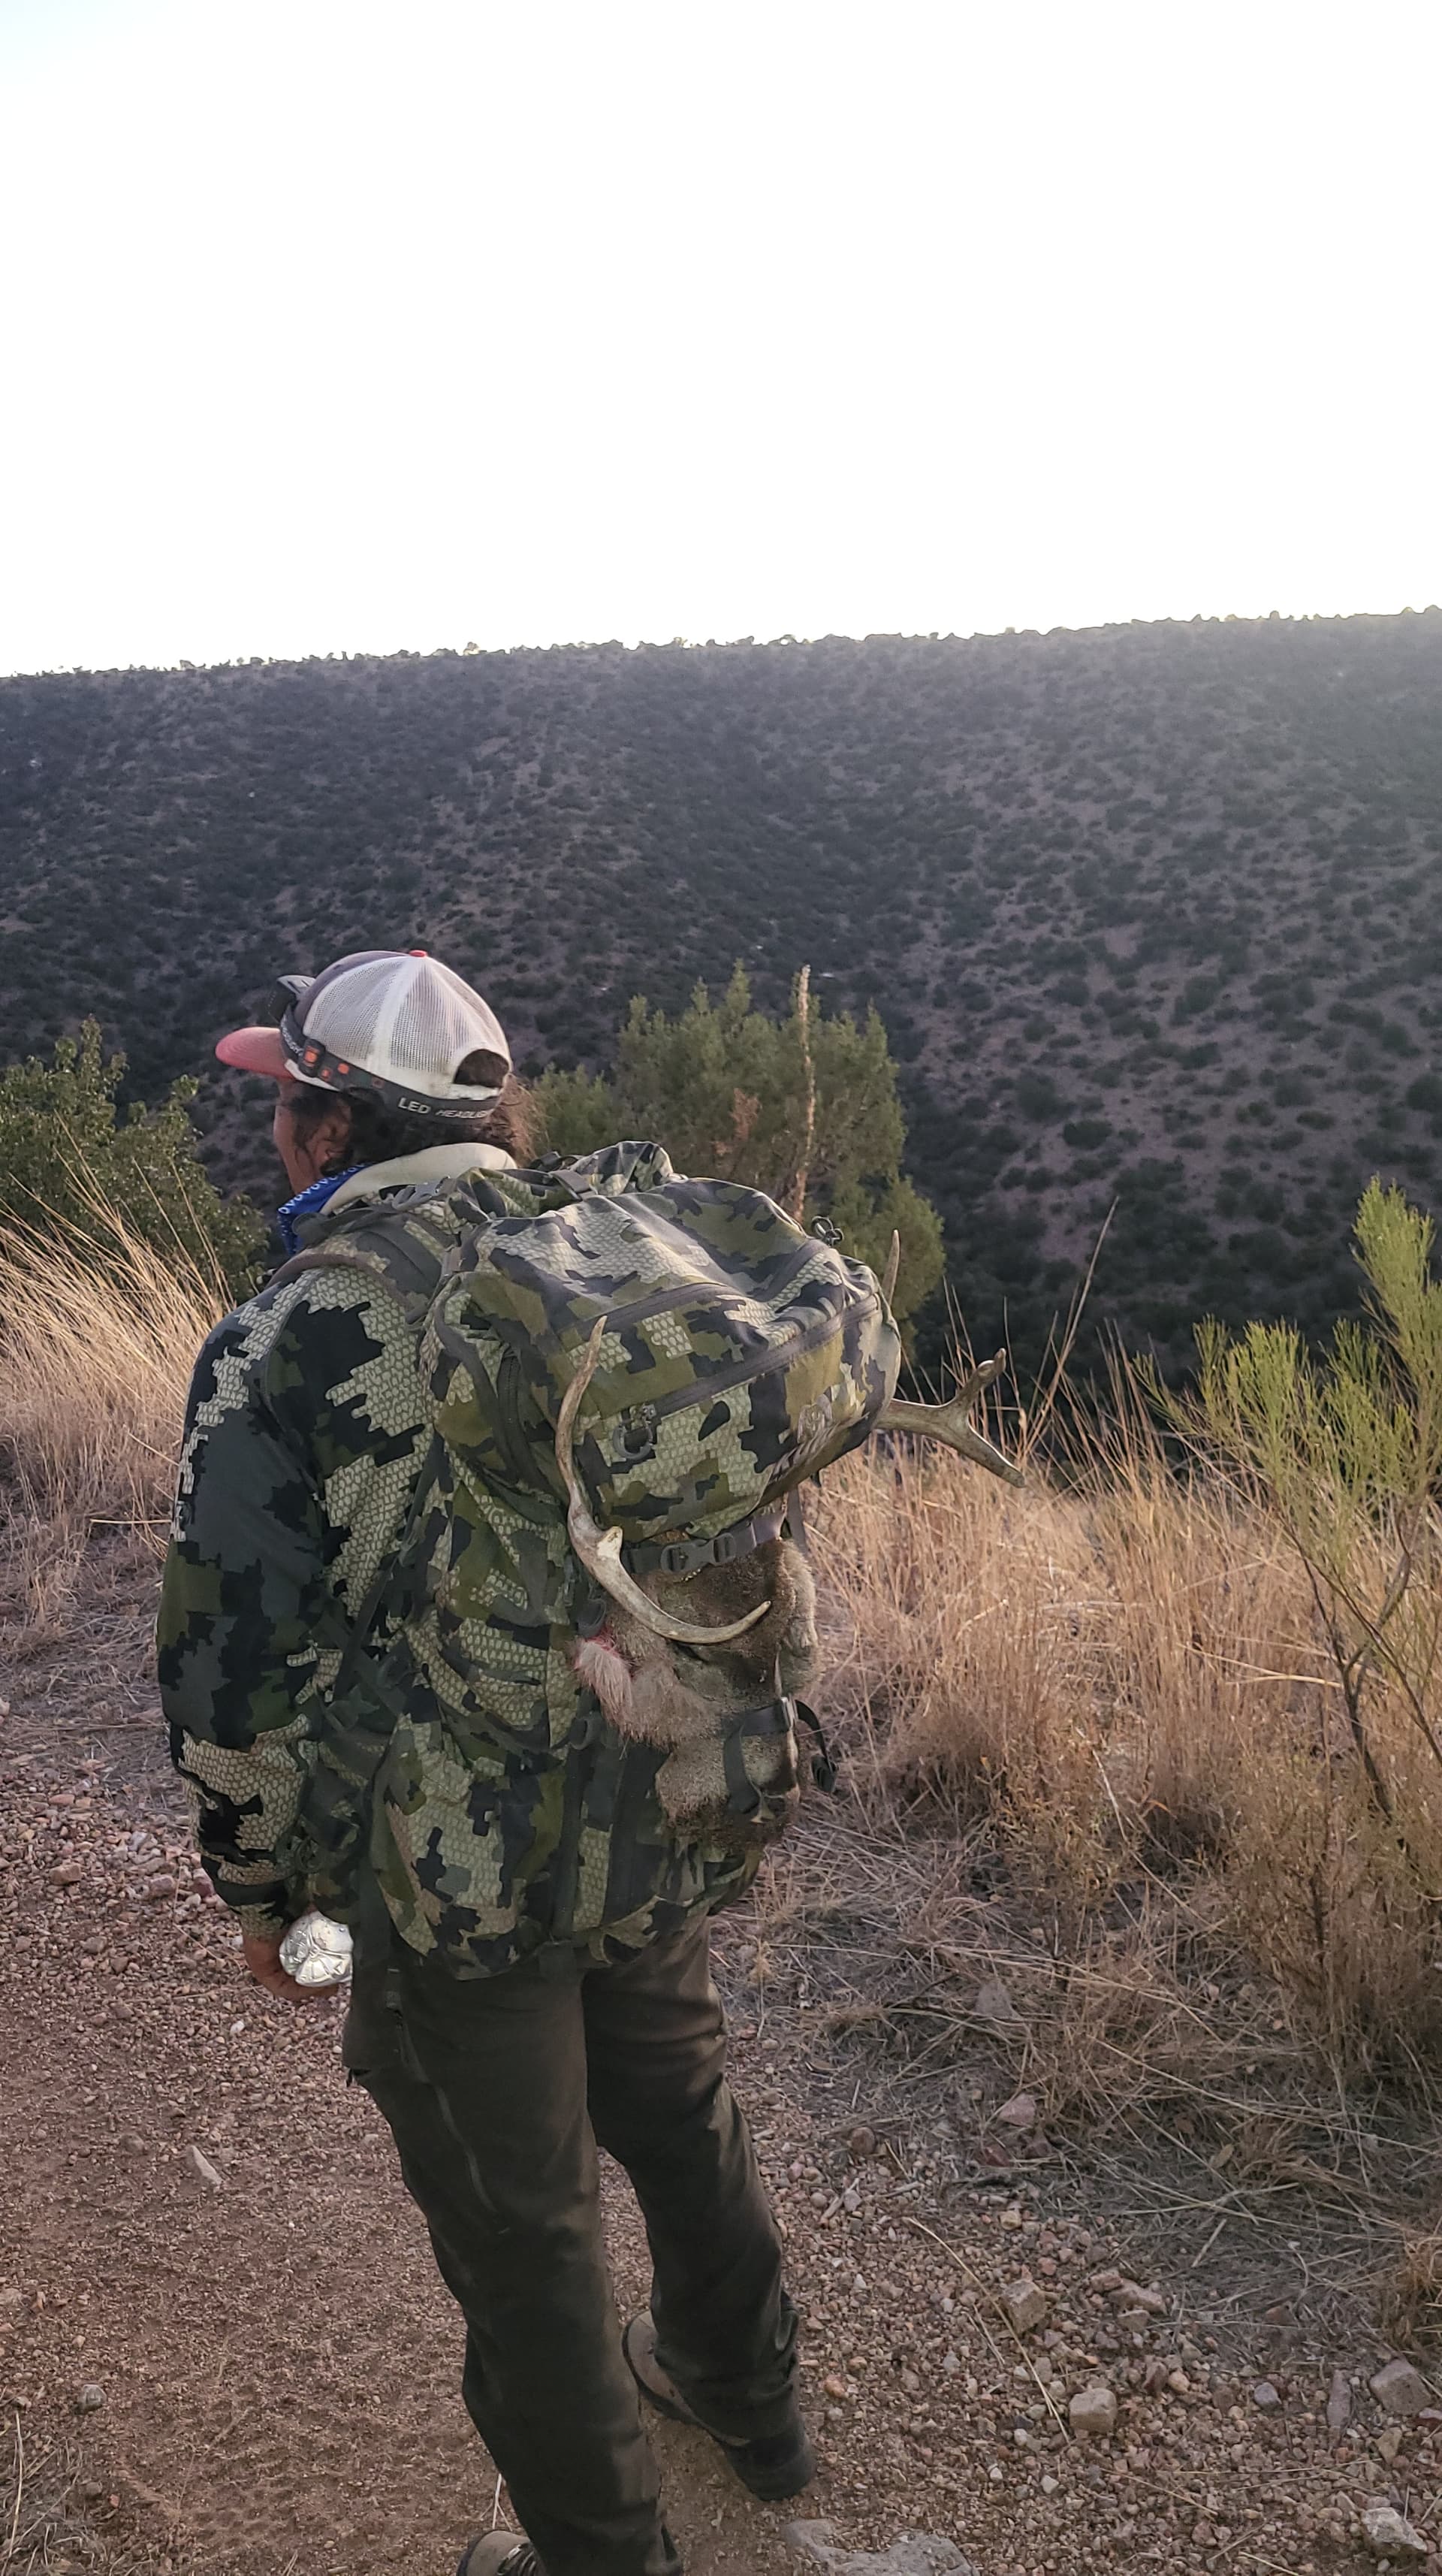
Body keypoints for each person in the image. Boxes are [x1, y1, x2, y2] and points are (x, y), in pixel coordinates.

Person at [157, 948, 814, 2576]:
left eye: (284, 1101)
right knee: (675, 2102)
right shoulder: (602, 1253)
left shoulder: (287, 1336)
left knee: (522, 2228)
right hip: (651, 1778)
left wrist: (270, 1897)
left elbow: (233, 1671)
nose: (277, 1134)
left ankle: (599, 2556)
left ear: (327, 1129)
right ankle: (751, 2393)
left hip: (452, 1865)